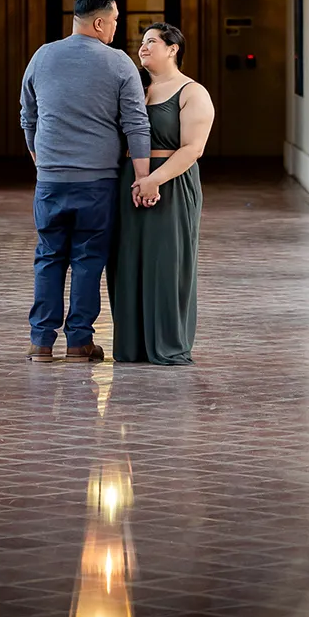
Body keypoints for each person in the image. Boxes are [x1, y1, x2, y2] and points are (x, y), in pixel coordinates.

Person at [19, 0, 153, 364]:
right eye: (113, 21)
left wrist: (39, 158)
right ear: (98, 22)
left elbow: (27, 115)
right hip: (97, 183)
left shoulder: (42, 57)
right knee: (88, 259)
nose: (114, 28)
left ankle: (41, 343)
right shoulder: (119, 63)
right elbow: (136, 123)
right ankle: (79, 343)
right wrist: (143, 177)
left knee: (48, 256)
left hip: (51, 180)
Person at [109, 22, 214, 366]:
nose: (143, 47)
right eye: (142, 42)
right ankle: (132, 345)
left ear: (173, 49)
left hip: (171, 184)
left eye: (152, 41)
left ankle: (169, 345)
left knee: (167, 263)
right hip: (129, 183)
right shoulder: (135, 90)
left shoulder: (191, 92)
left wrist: (154, 180)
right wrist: (137, 180)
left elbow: (193, 148)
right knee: (126, 262)